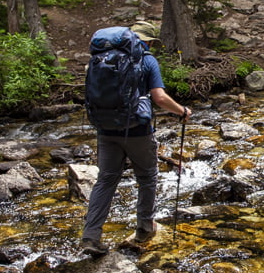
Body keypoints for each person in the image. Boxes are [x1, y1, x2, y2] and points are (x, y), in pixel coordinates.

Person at [79, 22, 191, 255]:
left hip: (105, 128)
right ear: (147, 41)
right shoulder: (147, 60)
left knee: (106, 179)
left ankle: (91, 236)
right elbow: (159, 98)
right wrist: (182, 111)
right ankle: (144, 228)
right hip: (137, 130)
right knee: (147, 176)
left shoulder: (99, 60)